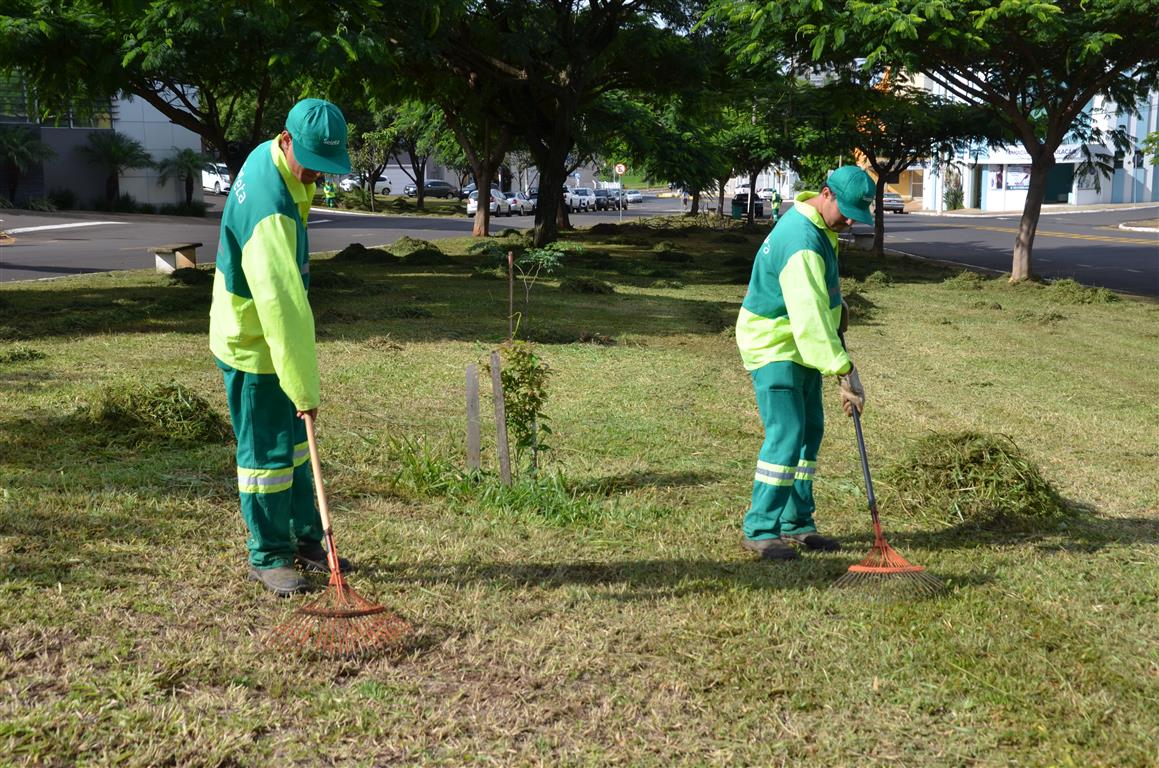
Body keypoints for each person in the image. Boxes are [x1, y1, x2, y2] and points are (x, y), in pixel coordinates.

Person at [209, 98, 352, 596]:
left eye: (326, 167)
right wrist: (304, 388)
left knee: (293, 449)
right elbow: (282, 309)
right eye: (312, 163)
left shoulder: (270, 157)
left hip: (272, 335)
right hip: (253, 341)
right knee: (266, 458)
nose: (317, 176)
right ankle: (268, 555)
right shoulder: (270, 209)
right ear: (286, 140)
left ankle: (308, 540)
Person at [734, 165, 873, 561]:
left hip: (800, 345)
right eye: (845, 210)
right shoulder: (802, 240)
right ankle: (761, 528)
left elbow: (817, 299)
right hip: (775, 345)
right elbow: (808, 316)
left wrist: (838, 308)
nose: (849, 221)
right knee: (788, 433)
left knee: (811, 429)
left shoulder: (818, 227)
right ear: (826, 193)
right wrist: (844, 370)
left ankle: (797, 522)